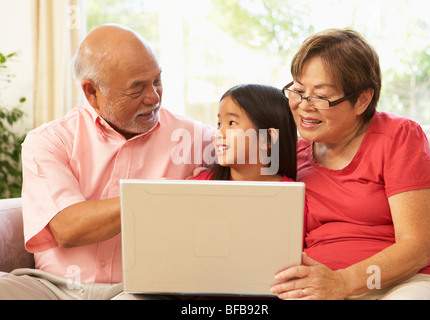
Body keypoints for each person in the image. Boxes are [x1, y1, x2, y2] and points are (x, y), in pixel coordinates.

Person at [0, 24, 214, 300]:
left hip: (138, 290)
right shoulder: (49, 140)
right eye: (137, 88)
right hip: (51, 287)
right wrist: (160, 193)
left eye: (157, 81)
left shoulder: (196, 138)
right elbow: (68, 228)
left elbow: (258, 156)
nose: (155, 97)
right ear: (92, 93)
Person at [270, 28, 430, 300]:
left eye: (320, 95)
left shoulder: (398, 136)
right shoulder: (292, 154)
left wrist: (342, 282)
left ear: (362, 100)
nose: (304, 105)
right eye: (297, 90)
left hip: (410, 282)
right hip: (321, 289)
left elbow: (417, 248)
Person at [193, 84, 298, 182]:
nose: (219, 134)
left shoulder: (293, 194)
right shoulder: (200, 184)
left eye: (232, 123)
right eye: (219, 124)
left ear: (267, 139)